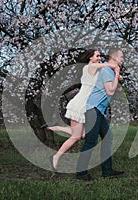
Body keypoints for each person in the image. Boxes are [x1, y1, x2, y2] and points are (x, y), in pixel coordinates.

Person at [45, 49, 118, 171]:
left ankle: (56, 127)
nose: (99, 58)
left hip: (86, 105)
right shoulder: (90, 67)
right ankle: (56, 157)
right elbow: (108, 65)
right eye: (97, 56)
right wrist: (114, 65)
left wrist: (116, 75)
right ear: (90, 57)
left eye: (100, 56)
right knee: (76, 137)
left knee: (82, 135)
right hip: (80, 104)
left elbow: (107, 75)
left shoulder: (97, 69)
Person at [76, 47, 125, 180]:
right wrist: (116, 75)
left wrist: (117, 79)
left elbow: (115, 89)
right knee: (91, 141)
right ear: (114, 58)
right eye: (121, 57)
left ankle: (107, 170)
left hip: (98, 109)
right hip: (92, 108)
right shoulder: (106, 70)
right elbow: (110, 91)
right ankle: (81, 174)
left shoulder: (108, 71)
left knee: (108, 138)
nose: (123, 59)